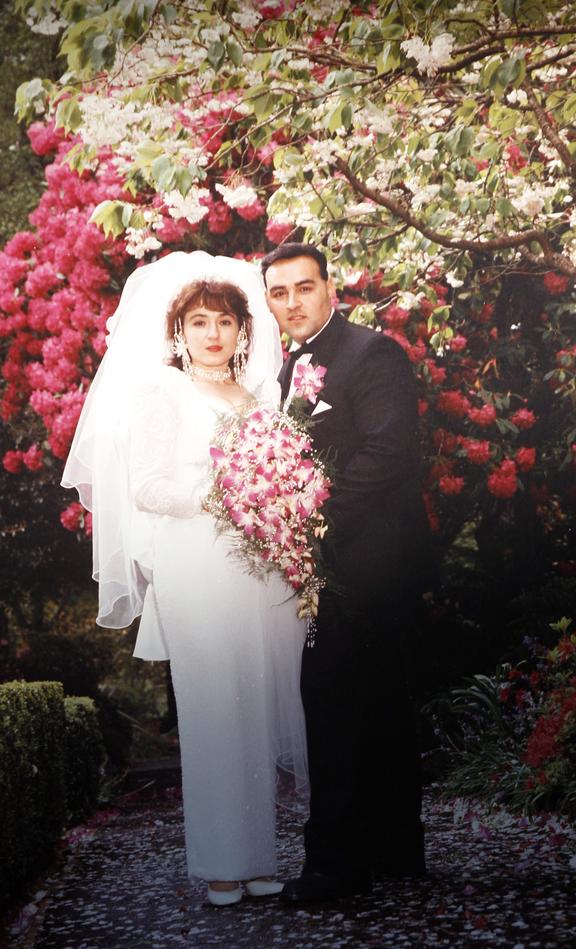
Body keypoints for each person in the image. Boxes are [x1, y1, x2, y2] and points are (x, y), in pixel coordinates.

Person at [62, 252, 308, 907]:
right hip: (195, 567)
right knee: (212, 711)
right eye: (198, 322)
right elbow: (148, 488)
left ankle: (258, 858)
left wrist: (274, 502)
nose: (212, 333)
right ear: (180, 330)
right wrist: (228, 493)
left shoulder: (257, 395)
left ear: (240, 329)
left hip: (254, 569)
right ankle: (221, 864)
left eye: (223, 321)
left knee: (253, 710)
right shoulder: (161, 392)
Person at [261, 243, 426, 904]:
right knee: (373, 708)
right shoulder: (285, 369)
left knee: (337, 709)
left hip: (374, 560)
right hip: (336, 567)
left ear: (331, 288)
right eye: (279, 292)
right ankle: (393, 850)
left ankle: (335, 867)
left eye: (304, 287)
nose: (293, 302)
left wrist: (313, 522)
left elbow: (388, 451)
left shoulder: (371, 353)